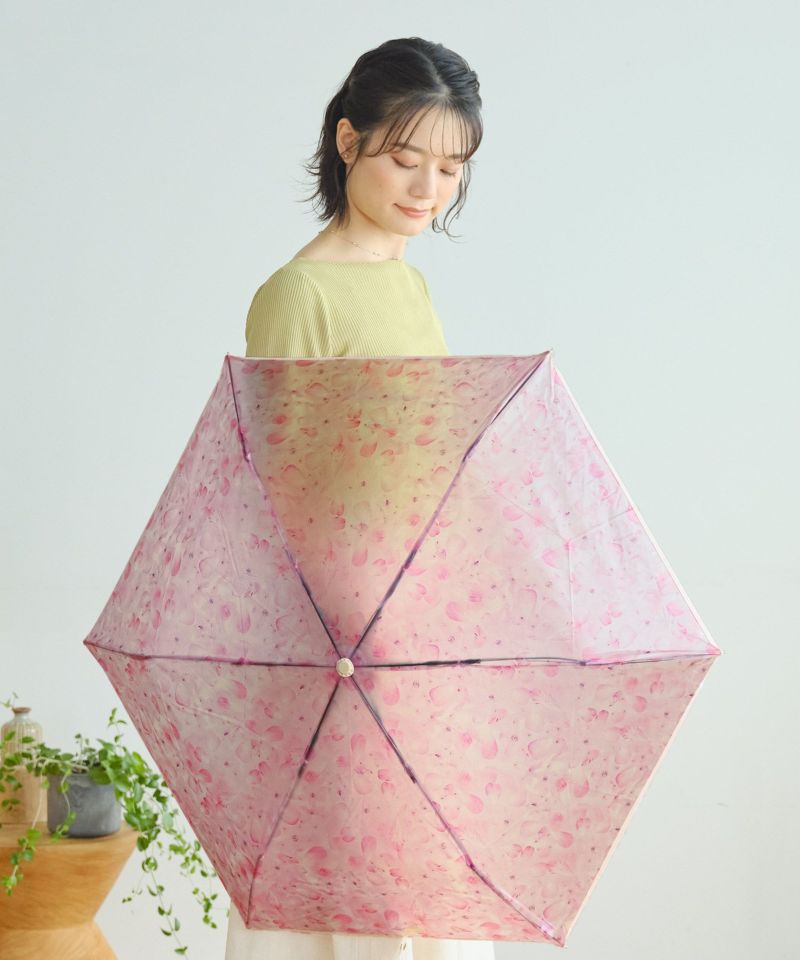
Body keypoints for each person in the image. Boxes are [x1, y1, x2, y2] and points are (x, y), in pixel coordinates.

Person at [227, 37, 493, 960]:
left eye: (450, 168)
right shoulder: (299, 294)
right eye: (405, 158)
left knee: (424, 866)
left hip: (418, 606)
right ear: (348, 142)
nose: (428, 189)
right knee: (354, 864)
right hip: (345, 621)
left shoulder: (407, 281)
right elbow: (276, 489)